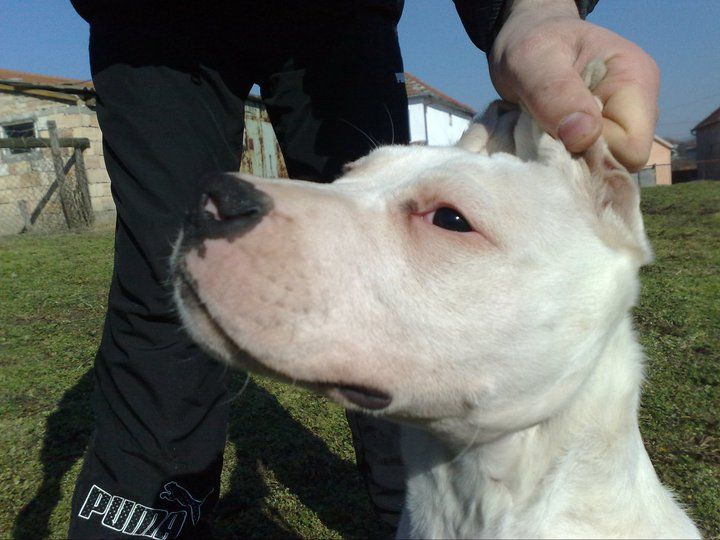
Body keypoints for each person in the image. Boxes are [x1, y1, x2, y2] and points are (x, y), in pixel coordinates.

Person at [67, 0, 659, 538]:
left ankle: (391, 511)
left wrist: (532, 13)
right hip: (148, 23)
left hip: (341, 14)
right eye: (354, 174)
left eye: (449, 219)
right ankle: (139, 520)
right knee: (154, 294)